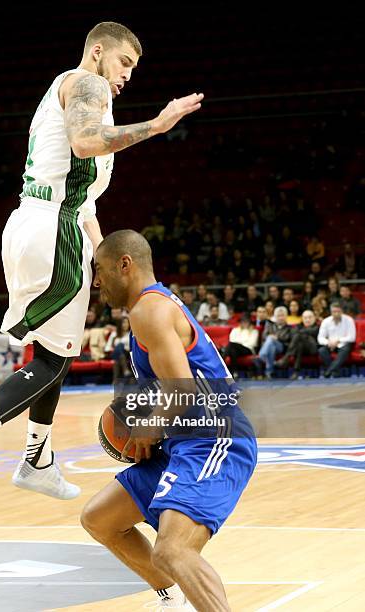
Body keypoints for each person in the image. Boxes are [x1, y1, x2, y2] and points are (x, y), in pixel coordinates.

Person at [0, 21, 204, 506]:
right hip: (52, 229)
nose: (126, 75)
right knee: (56, 359)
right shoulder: (88, 83)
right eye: (124, 62)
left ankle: (38, 459)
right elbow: (85, 143)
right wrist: (158, 126)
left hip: (40, 222)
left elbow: (85, 199)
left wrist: (105, 262)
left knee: (55, 352)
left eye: (133, 69)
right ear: (98, 51)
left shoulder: (62, 88)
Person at [82, 230, 256, 610]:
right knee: (100, 519)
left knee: (173, 550)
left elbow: (183, 391)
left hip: (217, 439)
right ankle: (172, 599)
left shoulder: (150, 310)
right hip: (184, 441)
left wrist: (147, 428)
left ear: (124, 265)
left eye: (98, 270)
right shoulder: (147, 306)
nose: (95, 282)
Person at [275, 310, 320, 378]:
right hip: (299, 349)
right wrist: (301, 333)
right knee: (299, 345)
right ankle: (296, 371)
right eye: (305, 318)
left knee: (298, 336)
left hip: (312, 349)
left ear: (314, 318)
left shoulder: (317, 327)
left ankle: (286, 358)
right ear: (302, 319)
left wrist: (300, 333)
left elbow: (312, 332)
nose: (308, 320)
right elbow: (292, 335)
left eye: (310, 317)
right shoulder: (298, 326)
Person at [253, 306, 293, 379]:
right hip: (270, 346)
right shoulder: (270, 325)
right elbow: (264, 336)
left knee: (271, 340)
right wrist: (271, 337)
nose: (280, 317)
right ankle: (269, 372)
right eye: (278, 315)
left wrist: (277, 337)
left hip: (282, 346)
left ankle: (261, 356)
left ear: (286, 316)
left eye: (282, 315)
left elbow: (287, 338)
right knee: (271, 344)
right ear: (275, 317)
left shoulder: (289, 328)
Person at [317, 303, 356, 378]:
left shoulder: (349, 320)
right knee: (321, 350)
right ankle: (335, 371)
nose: (336, 314)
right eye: (334, 312)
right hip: (330, 345)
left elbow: (352, 337)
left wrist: (338, 341)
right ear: (331, 312)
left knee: (345, 349)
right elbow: (320, 338)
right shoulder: (326, 321)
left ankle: (328, 372)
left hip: (344, 344)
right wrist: (328, 342)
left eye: (338, 311)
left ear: (342, 311)